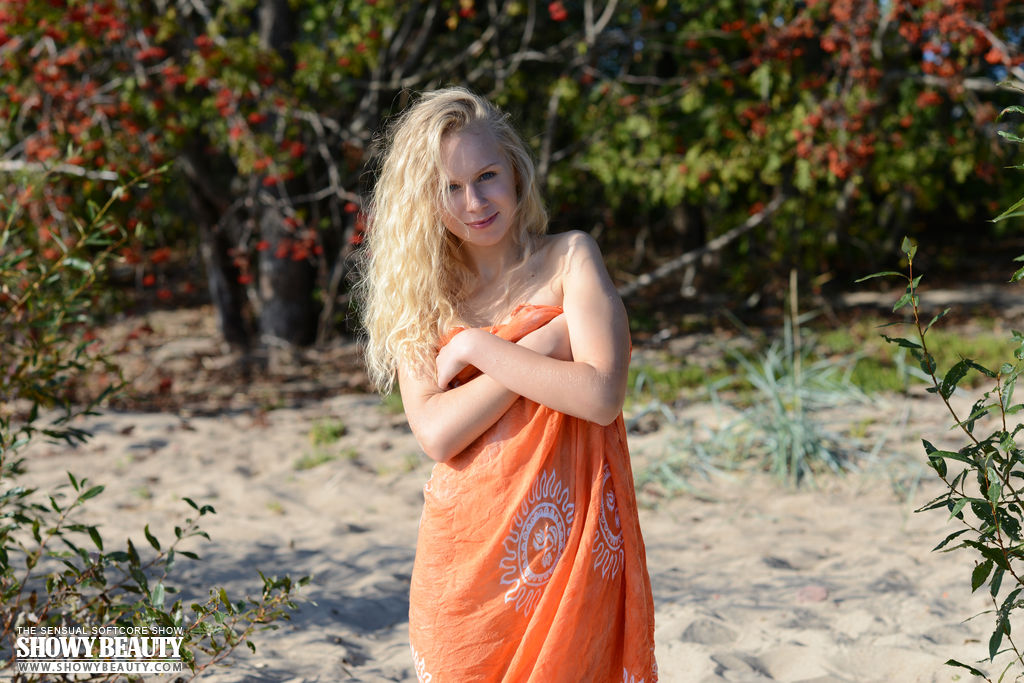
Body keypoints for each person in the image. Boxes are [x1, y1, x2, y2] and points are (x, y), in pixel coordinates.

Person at [357, 87, 657, 682]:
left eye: (486, 176)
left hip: (570, 551)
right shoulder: (424, 298)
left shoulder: (570, 258)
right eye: (450, 187)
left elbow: (600, 397)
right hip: (466, 563)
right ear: (426, 200)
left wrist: (478, 350)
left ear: (515, 170)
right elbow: (437, 433)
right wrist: (540, 344)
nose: (474, 202)